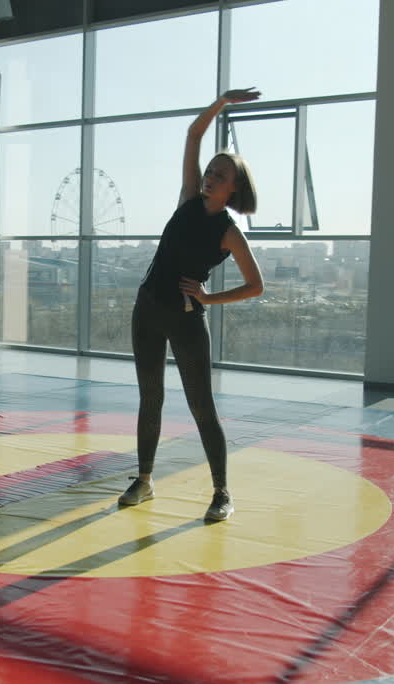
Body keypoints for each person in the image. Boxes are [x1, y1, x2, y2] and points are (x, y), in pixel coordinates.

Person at [118, 88, 265, 522]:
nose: (210, 176)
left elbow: (255, 285)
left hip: (186, 320)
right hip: (147, 310)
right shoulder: (187, 197)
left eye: (220, 175)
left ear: (234, 188)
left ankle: (221, 492)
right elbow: (193, 133)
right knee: (151, 399)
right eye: (211, 170)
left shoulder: (229, 231)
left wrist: (209, 298)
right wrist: (222, 101)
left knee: (202, 407)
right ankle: (144, 480)